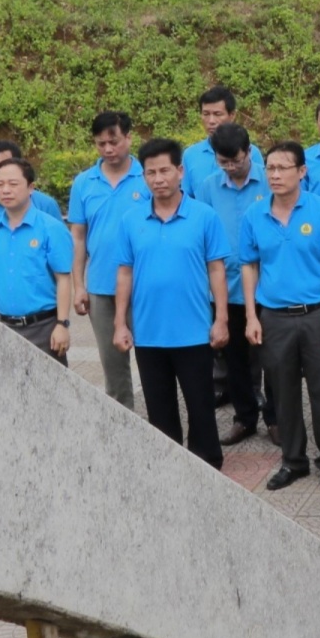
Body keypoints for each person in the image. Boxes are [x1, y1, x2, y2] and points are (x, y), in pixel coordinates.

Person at [111, 139, 231, 469]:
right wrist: (120, 323)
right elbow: (124, 273)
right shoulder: (131, 220)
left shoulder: (204, 216)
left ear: (180, 171)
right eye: (151, 173)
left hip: (194, 332)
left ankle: (206, 466)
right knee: (159, 410)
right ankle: (169, 469)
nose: (158, 179)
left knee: (201, 406)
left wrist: (221, 318)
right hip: (149, 333)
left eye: (165, 170)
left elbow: (217, 269)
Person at [240, 141, 320, 492]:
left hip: (318, 314)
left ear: (302, 171)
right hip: (274, 317)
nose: (274, 175)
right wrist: (252, 316)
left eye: (282, 168)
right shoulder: (254, 215)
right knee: (283, 393)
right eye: (270, 168)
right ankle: (293, 460)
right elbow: (249, 266)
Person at [193, 123, 273, 446]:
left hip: (268, 285)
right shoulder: (208, 187)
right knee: (235, 359)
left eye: (236, 161)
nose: (230, 167)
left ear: (249, 151)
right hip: (227, 287)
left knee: (273, 358)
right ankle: (245, 417)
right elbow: (203, 233)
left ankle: (276, 419)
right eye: (223, 161)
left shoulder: (270, 180)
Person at [68, 111, 150, 409]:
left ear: (129, 137)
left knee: (153, 361)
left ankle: (160, 425)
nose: (108, 149)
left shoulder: (148, 178)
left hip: (145, 287)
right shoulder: (84, 183)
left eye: (114, 142)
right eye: (101, 144)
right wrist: (79, 286)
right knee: (113, 368)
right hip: (101, 288)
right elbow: (78, 237)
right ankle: (122, 423)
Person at [0, 157, 73, 363]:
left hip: (43, 328)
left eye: (13, 184)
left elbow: (63, 279)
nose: (6, 190)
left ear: (31, 187)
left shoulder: (51, 228)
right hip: (1, 326)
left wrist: (62, 324)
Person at [0, 140, 62, 300]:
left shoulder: (46, 205)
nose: (2, 171)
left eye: (6, 164)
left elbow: (60, 258)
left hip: (38, 301)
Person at [183, 86, 265, 193]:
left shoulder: (250, 153)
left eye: (217, 114)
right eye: (206, 114)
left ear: (232, 115)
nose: (211, 121)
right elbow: (186, 196)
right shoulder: (190, 155)